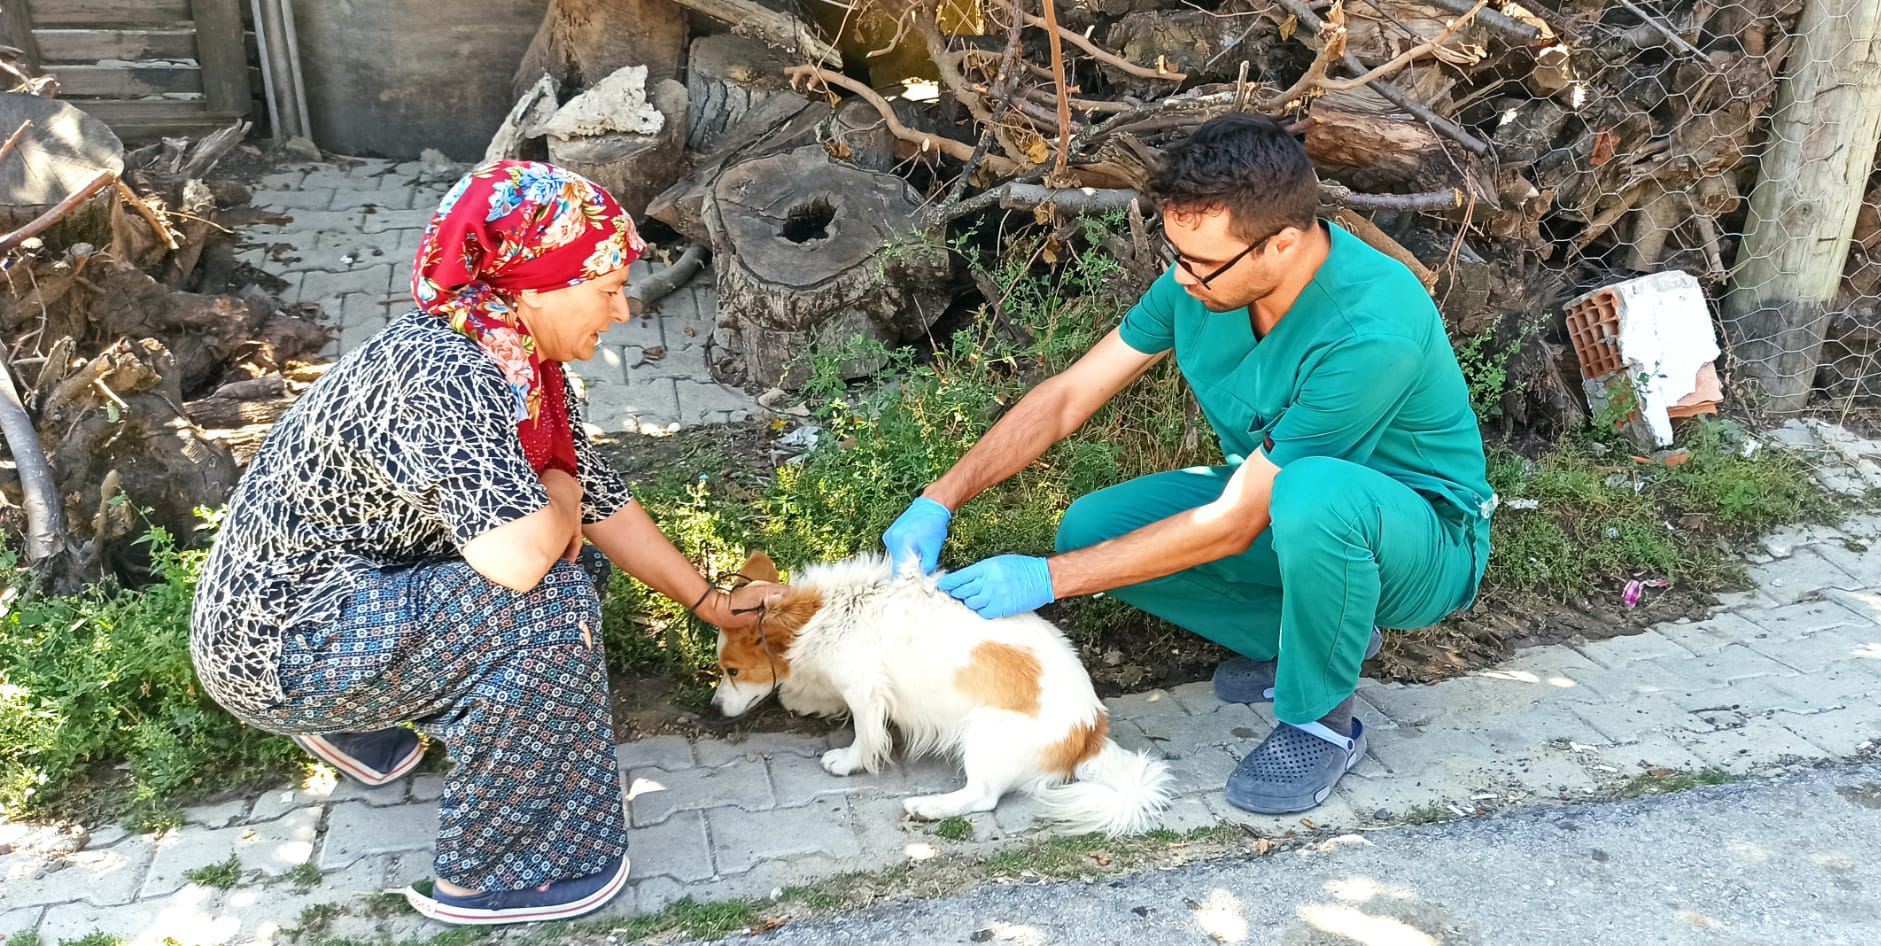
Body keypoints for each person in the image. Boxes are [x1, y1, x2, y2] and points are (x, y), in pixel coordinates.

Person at [188, 161, 783, 926]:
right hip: (276, 646)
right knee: (547, 601)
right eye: (604, 287)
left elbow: (592, 495)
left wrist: (710, 602)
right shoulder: (451, 372)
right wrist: (558, 495)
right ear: (534, 281)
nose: (624, 310)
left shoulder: (508, 351)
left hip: (326, 602)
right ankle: (510, 873)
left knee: (573, 557)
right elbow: (523, 555)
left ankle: (361, 725)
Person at [882, 114, 1495, 816]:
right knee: (1091, 528)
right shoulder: (1201, 280)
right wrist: (941, 496)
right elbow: (1067, 397)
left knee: (1315, 493)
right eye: (1176, 253)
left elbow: (1235, 523)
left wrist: (1047, 582)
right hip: (1282, 503)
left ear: (1284, 244)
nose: (1181, 276)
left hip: (1423, 544)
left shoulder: (1371, 329)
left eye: (1200, 262)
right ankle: (1315, 636)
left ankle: (1320, 725)